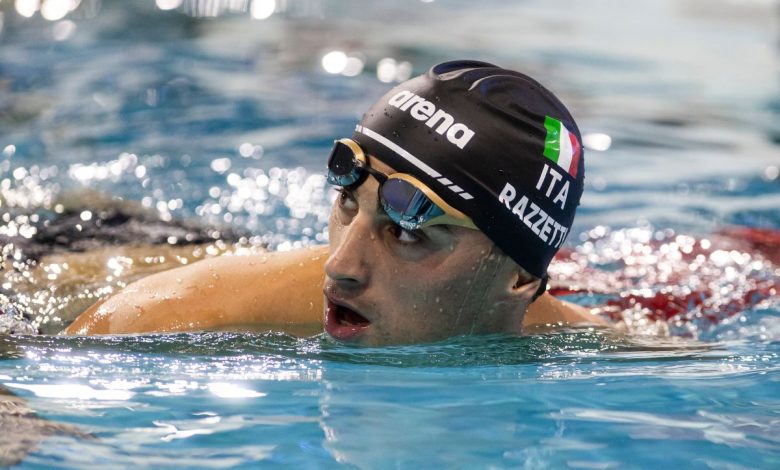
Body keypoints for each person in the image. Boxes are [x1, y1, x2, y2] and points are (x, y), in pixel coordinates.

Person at [64, 60, 609, 344]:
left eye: (408, 232)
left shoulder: (595, 340)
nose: (340, 266)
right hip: (88, 249)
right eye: (349, 202)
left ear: (520, 278)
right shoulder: (179, 314)